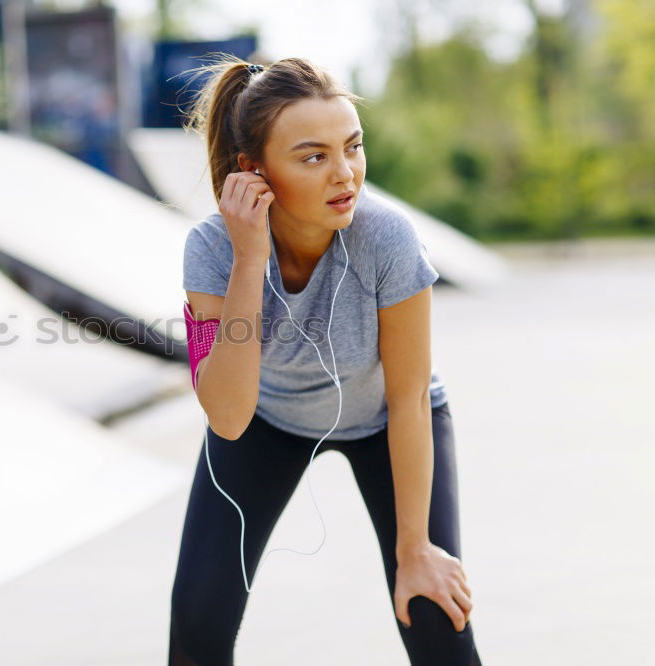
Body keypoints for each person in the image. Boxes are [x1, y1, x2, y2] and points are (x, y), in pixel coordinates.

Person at [168, 55, 483, 665]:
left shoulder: (387, 237)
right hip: (266, 425)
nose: (346, 174)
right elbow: (228, 418)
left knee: (433, 610)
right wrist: (247, 257)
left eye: (353, 147)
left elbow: (410, 397)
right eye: (313, 157)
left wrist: (414, 549)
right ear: (252, 172)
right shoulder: (211, 251)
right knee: (198, 621)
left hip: (390, 420)